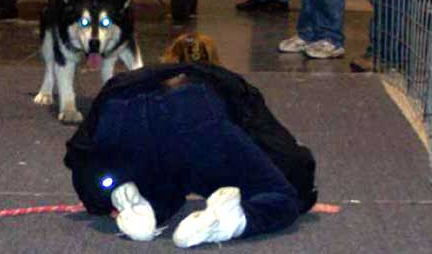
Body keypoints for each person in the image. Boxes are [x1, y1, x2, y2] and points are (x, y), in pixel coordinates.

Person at [64, 34, 319, 247]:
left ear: (167, 59)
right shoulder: (222, 81)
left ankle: (136, 198)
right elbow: (274, 143)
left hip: (124, 118)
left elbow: (81, 150)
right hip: (196, 116)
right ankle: (230, 220)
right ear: (216, 62)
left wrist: (98, 197)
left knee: (173, 181)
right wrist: (298, 184)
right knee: (282, 199)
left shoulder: (129, 81)